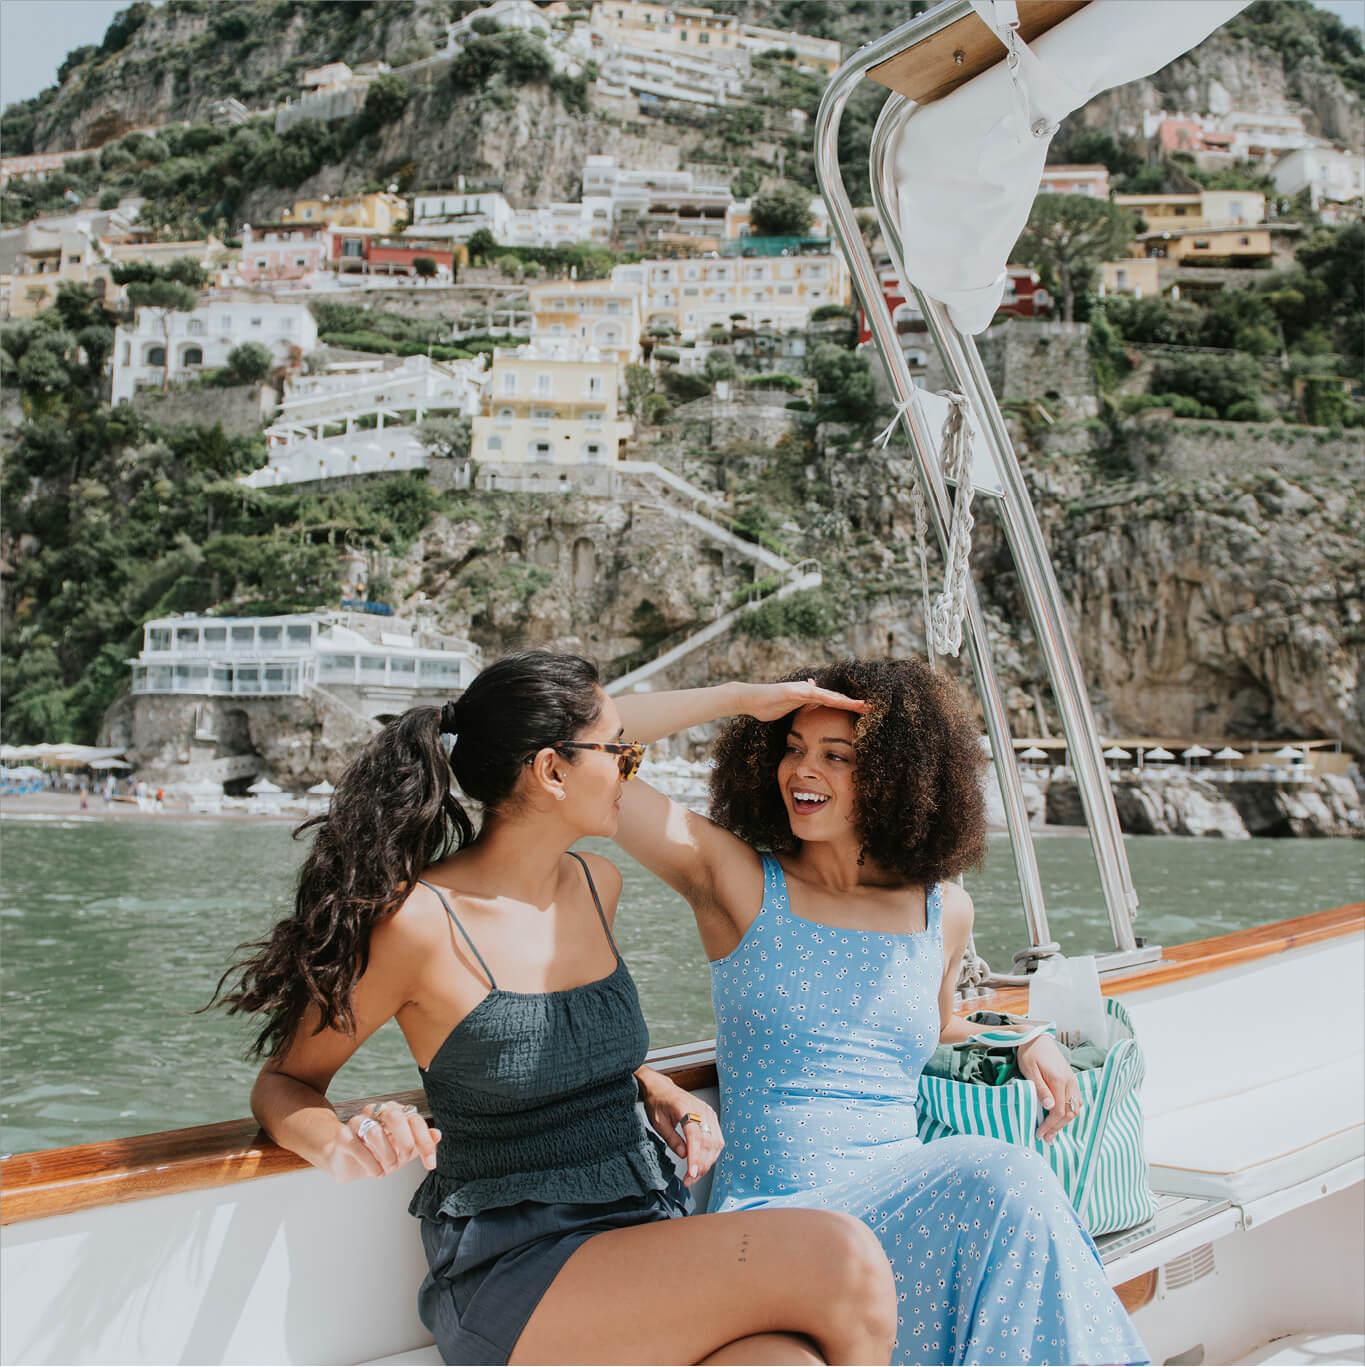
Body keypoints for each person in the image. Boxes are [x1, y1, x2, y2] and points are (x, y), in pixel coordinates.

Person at [211, 651, 897, 1367]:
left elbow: (567, 1048)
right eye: (619, 752)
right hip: (517, 1269)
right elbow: (284, 1081)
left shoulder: (597, 885)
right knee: (838, 1255)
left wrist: (655, 1087)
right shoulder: (419, 922)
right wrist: (339, 1142)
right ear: (550, 770)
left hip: (641, 1225)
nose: (632, 766)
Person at [613, 659, 1151, 1367]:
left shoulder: (940, 909)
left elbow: (934, 1026)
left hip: (901, 1209)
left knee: (1004, 1192)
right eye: (793, 747)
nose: (803, 770)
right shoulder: (738, 881)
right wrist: (746, 699)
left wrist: (1022, 1039)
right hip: (778, 1219)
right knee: (1007, 1174)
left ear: (897, 777)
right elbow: (566, 743)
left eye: (837, 756)